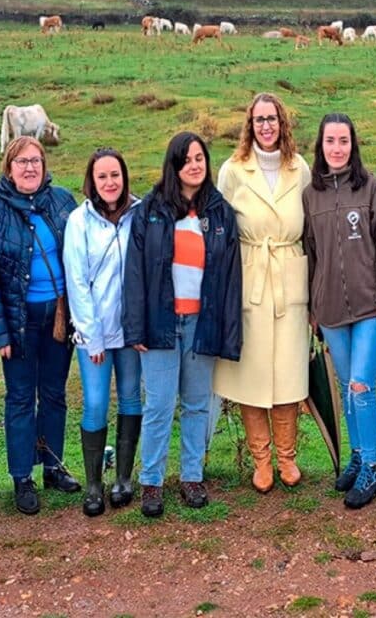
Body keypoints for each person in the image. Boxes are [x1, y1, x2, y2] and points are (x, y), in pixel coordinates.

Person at [123, 132, 241, 518]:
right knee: (158, 403)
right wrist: (135, 327)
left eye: (200, 157)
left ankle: (192, 475)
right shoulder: (151, 210)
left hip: (201, 320)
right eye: (186, 159)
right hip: (160, 321)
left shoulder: (219, 211)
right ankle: (151, 481)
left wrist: (227, 326)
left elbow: (229, 274)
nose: (195, 164)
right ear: (173, 166)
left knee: (196, 403)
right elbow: (135, 273)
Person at [214, 93, 312, 493]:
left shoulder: (299, 168)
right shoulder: (233, 170)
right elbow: (218, 228)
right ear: (249, 125)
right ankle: (261, 460)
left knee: (288, 371)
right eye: (259, 120)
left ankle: (288, 457)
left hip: (289, 274)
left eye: (272, 119)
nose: (266, 126)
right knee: (252, 374)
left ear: (282, 123)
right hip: (250, 274)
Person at [0, 136, 80, 516]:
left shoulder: (63, 202)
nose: (30, 168)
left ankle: (52, 465)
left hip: (57, 317)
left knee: (53, 393)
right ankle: (22, 477)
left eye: (36, 160)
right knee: (21, 398)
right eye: (22, 162)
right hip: (19, 322)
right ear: (9, 167)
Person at [303, 113, 376, 509]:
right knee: (347, 387)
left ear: (353, 144)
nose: (337, 148)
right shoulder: (311, 194)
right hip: (329, 309)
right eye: (330, 141)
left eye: (344, 141)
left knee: (362, 384)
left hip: (370, 307)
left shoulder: (372, 188)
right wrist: (312, 306)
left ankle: (372, 469)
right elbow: (310, 252)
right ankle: (357, 456)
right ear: (321, 146)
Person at [63, 148, 142, 516]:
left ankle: (124, 479)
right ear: (92, 181)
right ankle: (93, 484)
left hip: (131, 331)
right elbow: (77, 282)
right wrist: (90, 335)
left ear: (124, 177)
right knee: (95, 402)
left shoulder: (139, 215)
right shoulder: (80, 222)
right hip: (94, 332)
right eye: (102, 177)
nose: (110, 183)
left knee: (130, 398)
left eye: (115, 175)